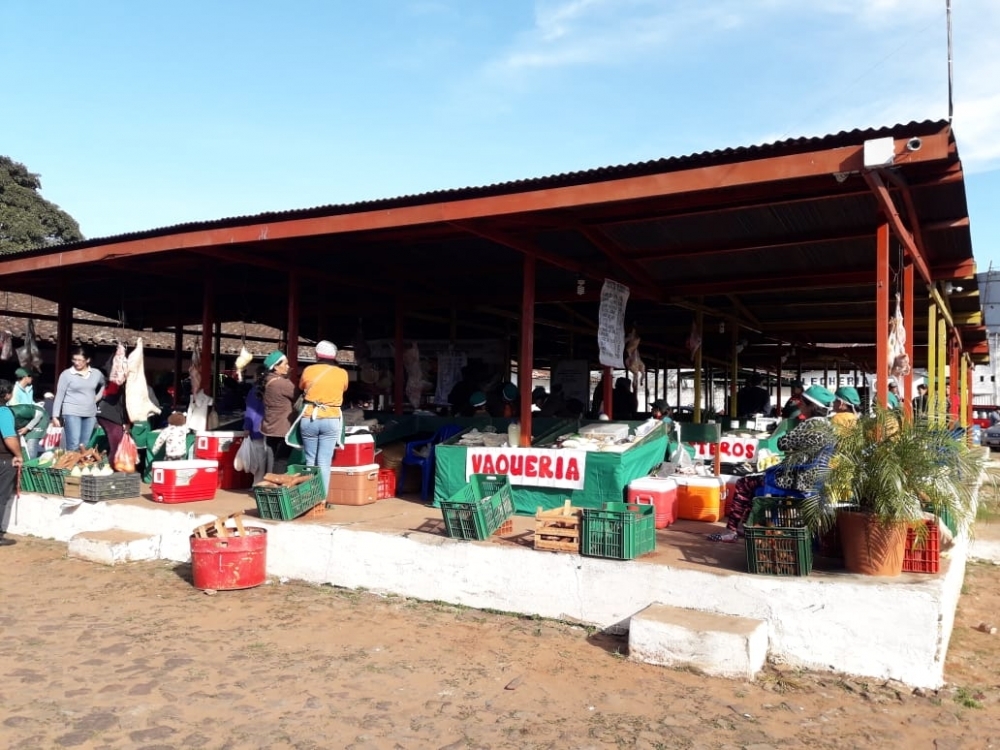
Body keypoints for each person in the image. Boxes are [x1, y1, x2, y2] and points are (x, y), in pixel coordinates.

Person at [710, 385, 836, 542]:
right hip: (816, 481)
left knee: (744, 483)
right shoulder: (829, 427)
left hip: (797, 480)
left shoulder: (809, 425)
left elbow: (782, 443)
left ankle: (731, 531)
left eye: (802, 402)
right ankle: (745, 526)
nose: (799, 405)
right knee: (754, 483)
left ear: (812, 406)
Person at [299, 340, 349, 495]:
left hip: (309, 417)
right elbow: (344, 388)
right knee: (324, 461)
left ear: (317, 355)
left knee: (310, 460)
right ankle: (321, 499)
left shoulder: (308, 370)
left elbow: (302, 387)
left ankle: (308, 496)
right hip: (331, 418)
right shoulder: (342, 373)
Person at [51, 347, 106, 452]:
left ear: (88, 360)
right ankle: (70, 461)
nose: (76, 363)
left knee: (84, 445)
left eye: (80, 360)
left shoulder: (96, 373)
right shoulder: (66, 374)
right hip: (71, 412)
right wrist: (55, 415)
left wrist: (98, 397)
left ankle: (80, 462)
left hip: (90, 413)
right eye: (74, 359)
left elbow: (105, 385)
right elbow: (59, 395)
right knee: (74, 443)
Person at [259, 350, 299, 475]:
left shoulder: (267, 381)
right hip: (283, 428)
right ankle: (277, 485)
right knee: (281, 461)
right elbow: (298, 397)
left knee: (275, 460)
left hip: (270, 427)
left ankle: (273, 483)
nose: (288, 366)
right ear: (276, 367)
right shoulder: (282, 383)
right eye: (285, 364)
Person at [0, 380, 24, 543]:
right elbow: (9, 437)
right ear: (7, 395)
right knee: (1, 495)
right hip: (3, 459)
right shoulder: (3, 411)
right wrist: (18, 455)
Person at [96, 380, 128, 462]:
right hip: (110, 415)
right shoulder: (124, 385)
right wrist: (126, 422)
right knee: (116, 445)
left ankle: (106, 463)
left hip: (104, 413)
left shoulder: (115, 382)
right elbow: (123, 404)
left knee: (113, 444)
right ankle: (112, 465)